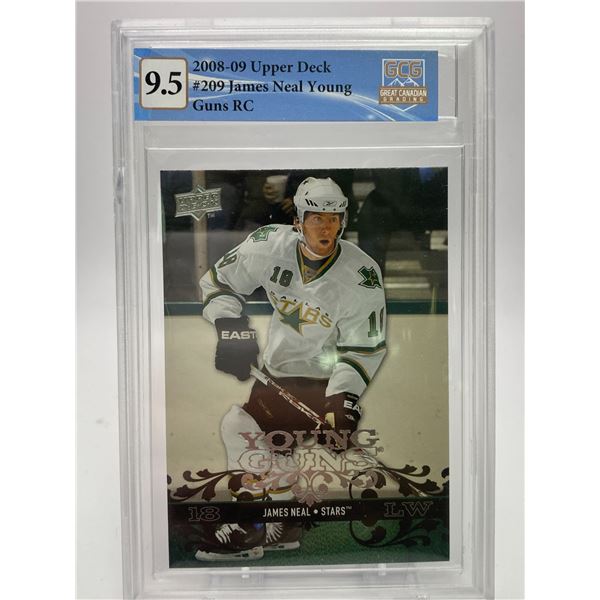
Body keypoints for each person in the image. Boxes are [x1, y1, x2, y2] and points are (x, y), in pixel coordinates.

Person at [196, 177, 387, 561]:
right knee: (275, 447)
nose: (326, 227)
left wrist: (344, 398)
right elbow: (219, 282)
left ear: (344, 221)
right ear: (298, 220)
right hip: (278, 370)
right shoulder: (268, 244)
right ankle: (283, 525)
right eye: (316, 218)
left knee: (239, 427)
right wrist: (230, 328)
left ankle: (249, 527)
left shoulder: (361, 276)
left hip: (324, 380)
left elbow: (365, 346)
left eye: (334, 218)